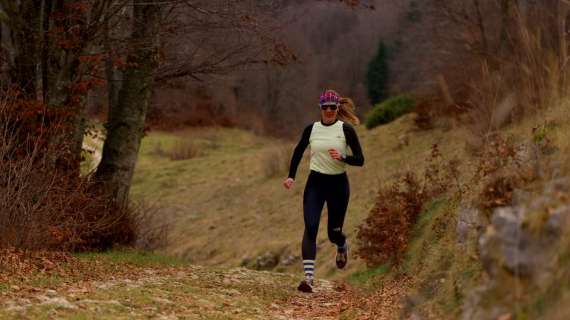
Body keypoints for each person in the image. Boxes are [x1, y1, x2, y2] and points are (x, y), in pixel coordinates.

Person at [283, 89, 364, 293]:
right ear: (320, 108)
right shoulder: (312, 129)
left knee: (333, 233)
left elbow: (360, 160)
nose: (329, 111)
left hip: (338, 186)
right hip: (315, 183)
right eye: (325, 107)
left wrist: (343, 157)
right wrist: (291, 176)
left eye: (332, 107)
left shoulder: (346, 130)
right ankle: (308, 279)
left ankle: (342, 244)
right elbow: (298, 151)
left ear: (338, 108)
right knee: (310, 226)